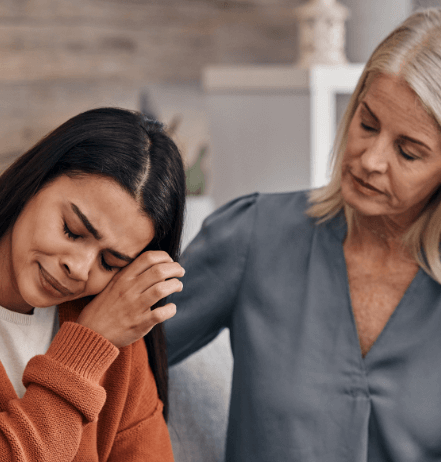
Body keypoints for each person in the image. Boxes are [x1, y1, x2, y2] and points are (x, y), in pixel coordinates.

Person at [163, 7, 441, 461]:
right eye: (366, 124)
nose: (370, 159)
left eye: (408, 152)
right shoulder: (254, 235)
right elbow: (121, 358)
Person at [0, 107, 186, 461]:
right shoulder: (100, 334)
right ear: (34, 181)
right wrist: (82, 355)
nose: (79, 268)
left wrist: (98, 340)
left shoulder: (113, 324)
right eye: (72, 230)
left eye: (110, 262)